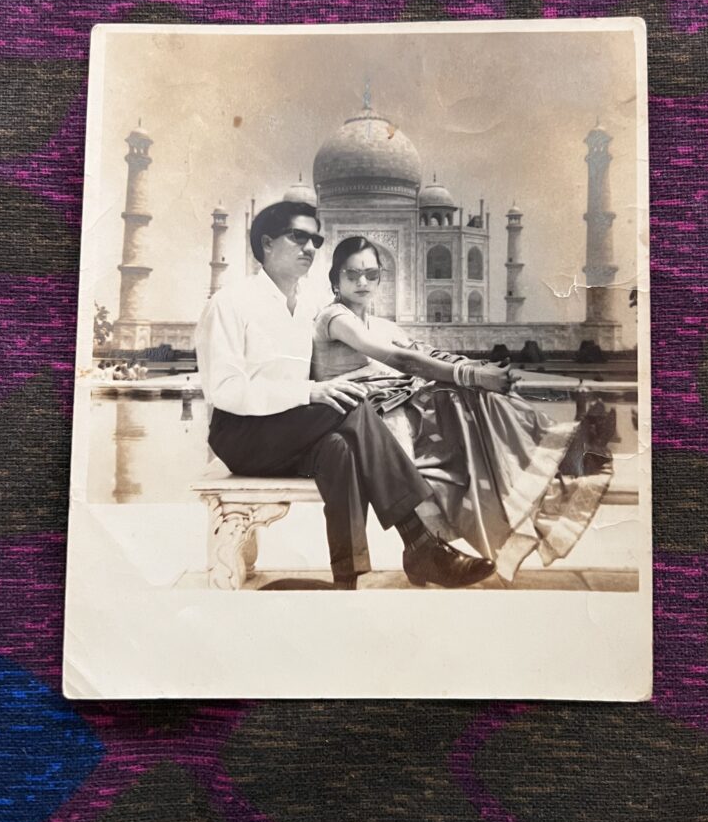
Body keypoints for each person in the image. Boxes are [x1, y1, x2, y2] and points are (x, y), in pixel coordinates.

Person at [194, 201, 496, 590]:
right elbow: (224, 390)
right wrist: (311, 391)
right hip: (243, 436)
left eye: (315, 239)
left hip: (295, 433)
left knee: (340, 449)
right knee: (351, 405)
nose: (309, 246)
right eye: (297, 236)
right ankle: (421, 545)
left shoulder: (311, 307)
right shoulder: (230, 304)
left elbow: (370, 349)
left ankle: (346, 580)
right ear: (267, 243)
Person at [312, 236, 613, 582]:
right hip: (364, 419)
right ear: (335, 279)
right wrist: (470, 374)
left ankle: (560, 447)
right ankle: (427, 548)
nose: (362, 282)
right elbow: (401, 359)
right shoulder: (333, 318)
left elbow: (428, 353)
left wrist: (479, 372)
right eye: (352, 274)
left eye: (371, 274)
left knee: (470, 396)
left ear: (382, 277)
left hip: (397, 407)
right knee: (459, 393)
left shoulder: (382, 325)